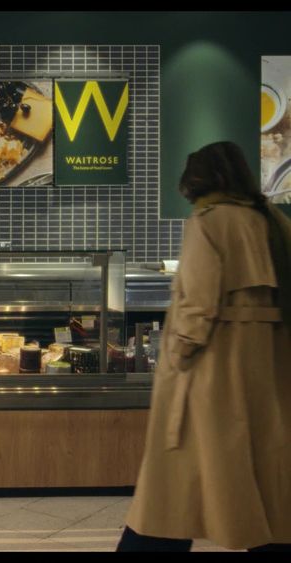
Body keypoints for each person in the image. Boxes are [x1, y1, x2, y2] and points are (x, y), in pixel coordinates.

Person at [118, 141, 291, 552]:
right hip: (266, 362)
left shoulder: (208, 221)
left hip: (213, 368)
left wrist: (175, 358)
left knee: (173, 480)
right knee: (265, 471)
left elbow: (197, 303)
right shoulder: (272, 221)